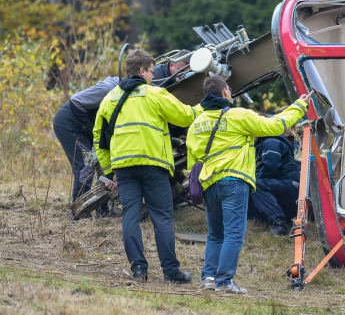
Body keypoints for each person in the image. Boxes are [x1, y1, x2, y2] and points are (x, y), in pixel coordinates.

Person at [187, 76, 309, 294]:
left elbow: (193, 159)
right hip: (234, 180)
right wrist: (299, 106)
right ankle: (225, 281)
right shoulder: (237, 115)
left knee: (215, 234)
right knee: (234, 233)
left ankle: (208, 278)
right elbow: (275, 126)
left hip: (209, 184)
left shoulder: (196, 123)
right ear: (225, 91)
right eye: (229, 89)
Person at [93, 49, 200, 284]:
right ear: (142, 71)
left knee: (130, 216)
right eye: (152, 71)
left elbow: (99, 138)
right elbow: (185, 117)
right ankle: (171, 273)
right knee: (162, 218)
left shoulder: (110, 98)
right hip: (153, 165)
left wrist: (110, 171)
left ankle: (139, 270)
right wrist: (203, 108)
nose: (154, 76)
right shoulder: (155, 94)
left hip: (124, 168)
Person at [52, 76, 119, 217]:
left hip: (86, 130)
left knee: (102, 165)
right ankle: (80, 212)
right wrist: (90, 129)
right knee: (85, 166)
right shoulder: (109, 89)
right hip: (69, 125)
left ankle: (103, 210)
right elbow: (76, 101)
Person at [249, 133, 301, 235]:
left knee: (255, 185)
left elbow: (271, 167)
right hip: (285, 188)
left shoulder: (271, 142)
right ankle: (265, 219)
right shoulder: (265, 143)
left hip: (291, 187)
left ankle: (279, 223)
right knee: (249, 188)